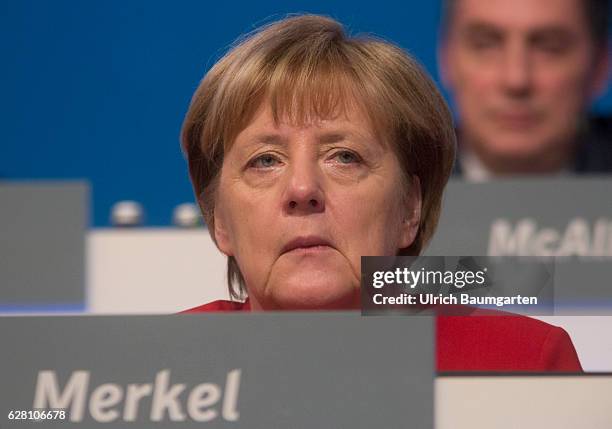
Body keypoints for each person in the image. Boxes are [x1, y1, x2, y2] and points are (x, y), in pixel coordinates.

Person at [181, 14, 582, 371]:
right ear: (219, 220)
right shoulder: (159, 366)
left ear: (410, 208)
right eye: (265, 161)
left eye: (344, 156)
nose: (302, 189)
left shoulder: (522, 364)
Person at [438, 0, 611, 179]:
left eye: (550, 47)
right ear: (446, 58)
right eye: (485, 44)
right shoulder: (411, 170)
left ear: (600, 64)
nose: (516, 80)